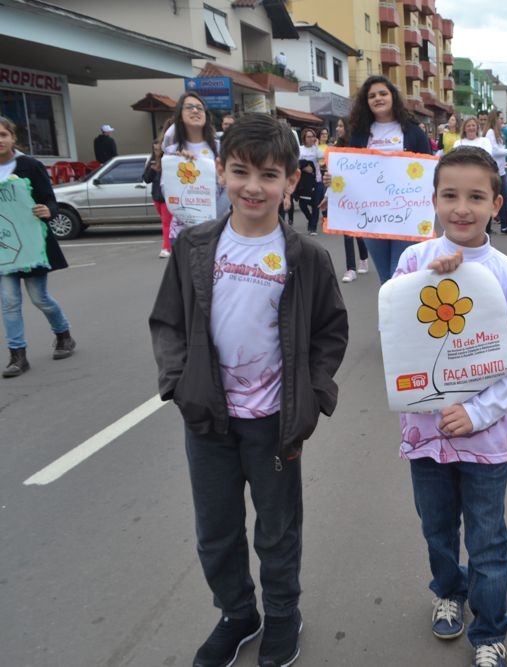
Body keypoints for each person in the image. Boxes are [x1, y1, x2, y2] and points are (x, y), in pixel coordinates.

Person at [149, 113, 349, 667]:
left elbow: (330, 333)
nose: (253, 186)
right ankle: (238, 614)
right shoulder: (195, 246)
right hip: (207, 418)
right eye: (240, 171)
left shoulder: (306, 257)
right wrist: (177, 385)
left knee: (277, 529)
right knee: (216, 530)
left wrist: (313, 399)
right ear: (220, 172)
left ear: (291, 181)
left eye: (268, 174)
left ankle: (283, 614)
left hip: (274, 421)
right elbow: (167, 322)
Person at [390, 147, 507, 667]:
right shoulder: (413, 261)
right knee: (436, 528)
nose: (462, 208)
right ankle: (448, 592)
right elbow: (395, 330)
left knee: (488, 538)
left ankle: (491, 630)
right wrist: (429, 278)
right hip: (424, 435)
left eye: (476, 197)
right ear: (433, 200)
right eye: (450, 195)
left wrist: (479, 414)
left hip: (486, 441)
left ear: (496, 203)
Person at [333, 74, 432, 283]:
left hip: (407, 217)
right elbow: (350, 173)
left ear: (393, 97)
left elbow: (429, 173)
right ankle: (391, 315)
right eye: (372, 96)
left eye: (383, 93)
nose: (378, 98)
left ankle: (399, 314)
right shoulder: (359, 135)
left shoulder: (413, 133)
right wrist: (331, 185)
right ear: (366, 102)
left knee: (400, 277)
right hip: (372, 217)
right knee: (386, 279)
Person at [0, 115, 76, 378]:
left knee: (39, 298)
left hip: (33, 245)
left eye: (3, 135)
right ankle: (17, 355)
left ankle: (64, 334)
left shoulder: (29, 165)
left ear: (13, 138)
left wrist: (47, 210)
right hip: (4, 247)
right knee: (9, 302)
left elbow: (50, 200)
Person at [161, 92, 222, 242]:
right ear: (180, 116)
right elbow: (166, 190)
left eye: (199, 108)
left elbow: (230, 188)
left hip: (217, 230)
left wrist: (212, 218)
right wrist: (177, 164)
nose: (195, 111)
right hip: (183, 233)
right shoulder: (173, 153)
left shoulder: (221, 149)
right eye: (189, 107)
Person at [328, 118, 370, 282]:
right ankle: (350, 269)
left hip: (359, 194)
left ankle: (364, 258)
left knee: (358, 231)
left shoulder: (358, 146)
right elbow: (331, 174)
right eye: (337, 126)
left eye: (340, 125)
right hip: (341, 194)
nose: (338, 129)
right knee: (347, 232)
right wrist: (328, 194)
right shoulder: (336, 148)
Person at [484, 110, 507, 235]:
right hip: (493, 172)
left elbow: (499, 152)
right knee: (490, 200)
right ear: (495, 119)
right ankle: (486, 228)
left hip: (501, 171)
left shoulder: (498, 133)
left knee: (505, 199)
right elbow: (494, 151)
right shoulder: (490, 133)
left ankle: (505, 226)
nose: (502, 121)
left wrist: (506, 159)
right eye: (500, 118)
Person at [143, 120, 173, 258]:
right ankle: (172, 245)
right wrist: (152, 167)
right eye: (154, 149)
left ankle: (166, 248)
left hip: (167, 197)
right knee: (168, 223)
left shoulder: (169, 159)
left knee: (166, 223)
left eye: (158, 148)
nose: (157, 151)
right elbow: (146, 178)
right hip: (157, 197)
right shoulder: (153, 161)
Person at [296, 127, 323, 235]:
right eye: (309, 136)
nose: (311, 138)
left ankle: (313, 228)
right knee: (302, 204)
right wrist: (304, 167)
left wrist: (316, 146)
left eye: (313, 136)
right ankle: (310, 218)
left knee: (315, 204)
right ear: (304, 138)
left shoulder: (316, 149)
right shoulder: (300, 149)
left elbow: (322, 157)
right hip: (303, 181)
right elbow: (295, 162)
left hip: (316, 180)